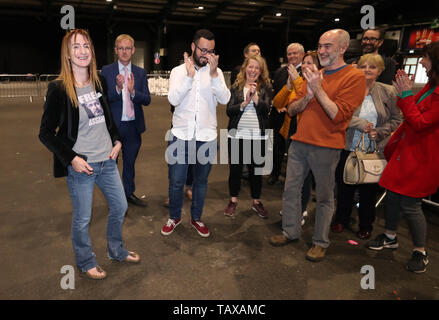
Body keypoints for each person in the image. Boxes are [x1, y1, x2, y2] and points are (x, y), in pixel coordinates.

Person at [38, 29, 140, 280]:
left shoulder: (99, 82)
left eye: (86, 46)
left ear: (92, 51)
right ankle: (85, 261)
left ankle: (116, 250)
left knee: (120, 206)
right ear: (68, 54)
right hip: (82, 166)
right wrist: (72, 158)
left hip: (107, 160)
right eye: (76, 47)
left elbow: (106, 119)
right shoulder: (59, 88)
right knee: (83, 219)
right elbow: (46, 133)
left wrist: (116, 140)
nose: (82, 51)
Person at [269, 29, 366, 263]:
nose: (322, 50)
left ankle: (320, 242)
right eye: (320, 45)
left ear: (342, 48)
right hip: (299, 143)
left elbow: (338, 115)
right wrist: (308, 95)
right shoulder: (314, 75)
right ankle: (290, 231)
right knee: (291, 191)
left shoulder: (354, 77)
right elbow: (291, 110)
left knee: (323, 197)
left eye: (328, 46)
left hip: (327, 147)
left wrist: (317, 89)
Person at [366, 41, 439, 273]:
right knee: (394, 197)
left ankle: (420, 251)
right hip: (407, 153)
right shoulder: (430, 86)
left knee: (411, 205)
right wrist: (403, 94)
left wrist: (406, 94)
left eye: (425, 57)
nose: (421, 61)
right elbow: (412, 113)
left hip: (421, 158)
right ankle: (390, 236)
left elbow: (419, 122)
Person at [162, 29, 231, 237]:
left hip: (206, 138)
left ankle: (196, 218)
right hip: (180, 136)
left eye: (211, 51)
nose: (206, 55)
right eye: (203, 50)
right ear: (193, 47)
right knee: (176, 181)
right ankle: (174, 217)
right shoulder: (178, 72)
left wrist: (213, 76)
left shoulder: (216, 73)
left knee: (200, 182)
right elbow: (173, 100)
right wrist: (190, 78)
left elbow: (225, 99)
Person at [331, 53, 402, 240]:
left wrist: (379, 131)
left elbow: (397, 119)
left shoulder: (388, 92)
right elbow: (339, 115)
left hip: (374, 150)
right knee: (344, 186)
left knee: (368, 192)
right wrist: (360, 124)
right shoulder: (349, 89)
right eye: (363, 66)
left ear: (380, 71)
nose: (367, 70)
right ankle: (341, 219)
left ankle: (365, 225)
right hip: (348, 147)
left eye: (372, 67)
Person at [101, 34, 151, 207]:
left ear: (133, 50)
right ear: (115, 50)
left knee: (130, 163)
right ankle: (114, 199)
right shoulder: (106, 71)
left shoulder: (140, 72)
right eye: (120, 48)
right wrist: (117, 88)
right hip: (113, 128)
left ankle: (128, 193)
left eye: (127, 48)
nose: (124, 52)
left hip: (133, 127)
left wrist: (132, 92)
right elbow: (102, 99)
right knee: (111, 166)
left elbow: (147, 99)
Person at [273, 51, 321, 225]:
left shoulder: (318, 84)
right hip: (291, 134)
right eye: (305, 62)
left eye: (310, 63)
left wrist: (296, 81)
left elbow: (306, 101)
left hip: (309, 137)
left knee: (305, 177)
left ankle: (300, 211)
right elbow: (278, 103)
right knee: (293, 177)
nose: (306, 66)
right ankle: (292, 207)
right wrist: (287, 85)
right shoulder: (296, 82)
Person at [223, 55, 272, 218]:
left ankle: (256, 202)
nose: (253, 70)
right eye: (250, 67)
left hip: (257, 137)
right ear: (245, 68)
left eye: (257, 68)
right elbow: (229, 111)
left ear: (261, 71)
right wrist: (243, 104)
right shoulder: (236, 87)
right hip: (238, 136)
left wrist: (256, 99)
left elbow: (267, 112)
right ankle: (233, 200)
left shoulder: (265, 88)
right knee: (235, 171)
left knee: (255, 172)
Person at [268, 43, 305, 185]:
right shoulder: (280, 72)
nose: (292, 56)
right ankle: (275, 174)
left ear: (302, 54)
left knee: (293, 151)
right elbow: (275, 93)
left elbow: (304, 94)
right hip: (279, 116)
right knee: (276, 148)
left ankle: (293, 179)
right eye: (289, 54)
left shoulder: (307, 71)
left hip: (297, 119)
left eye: (295, 53)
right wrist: (277, 106)